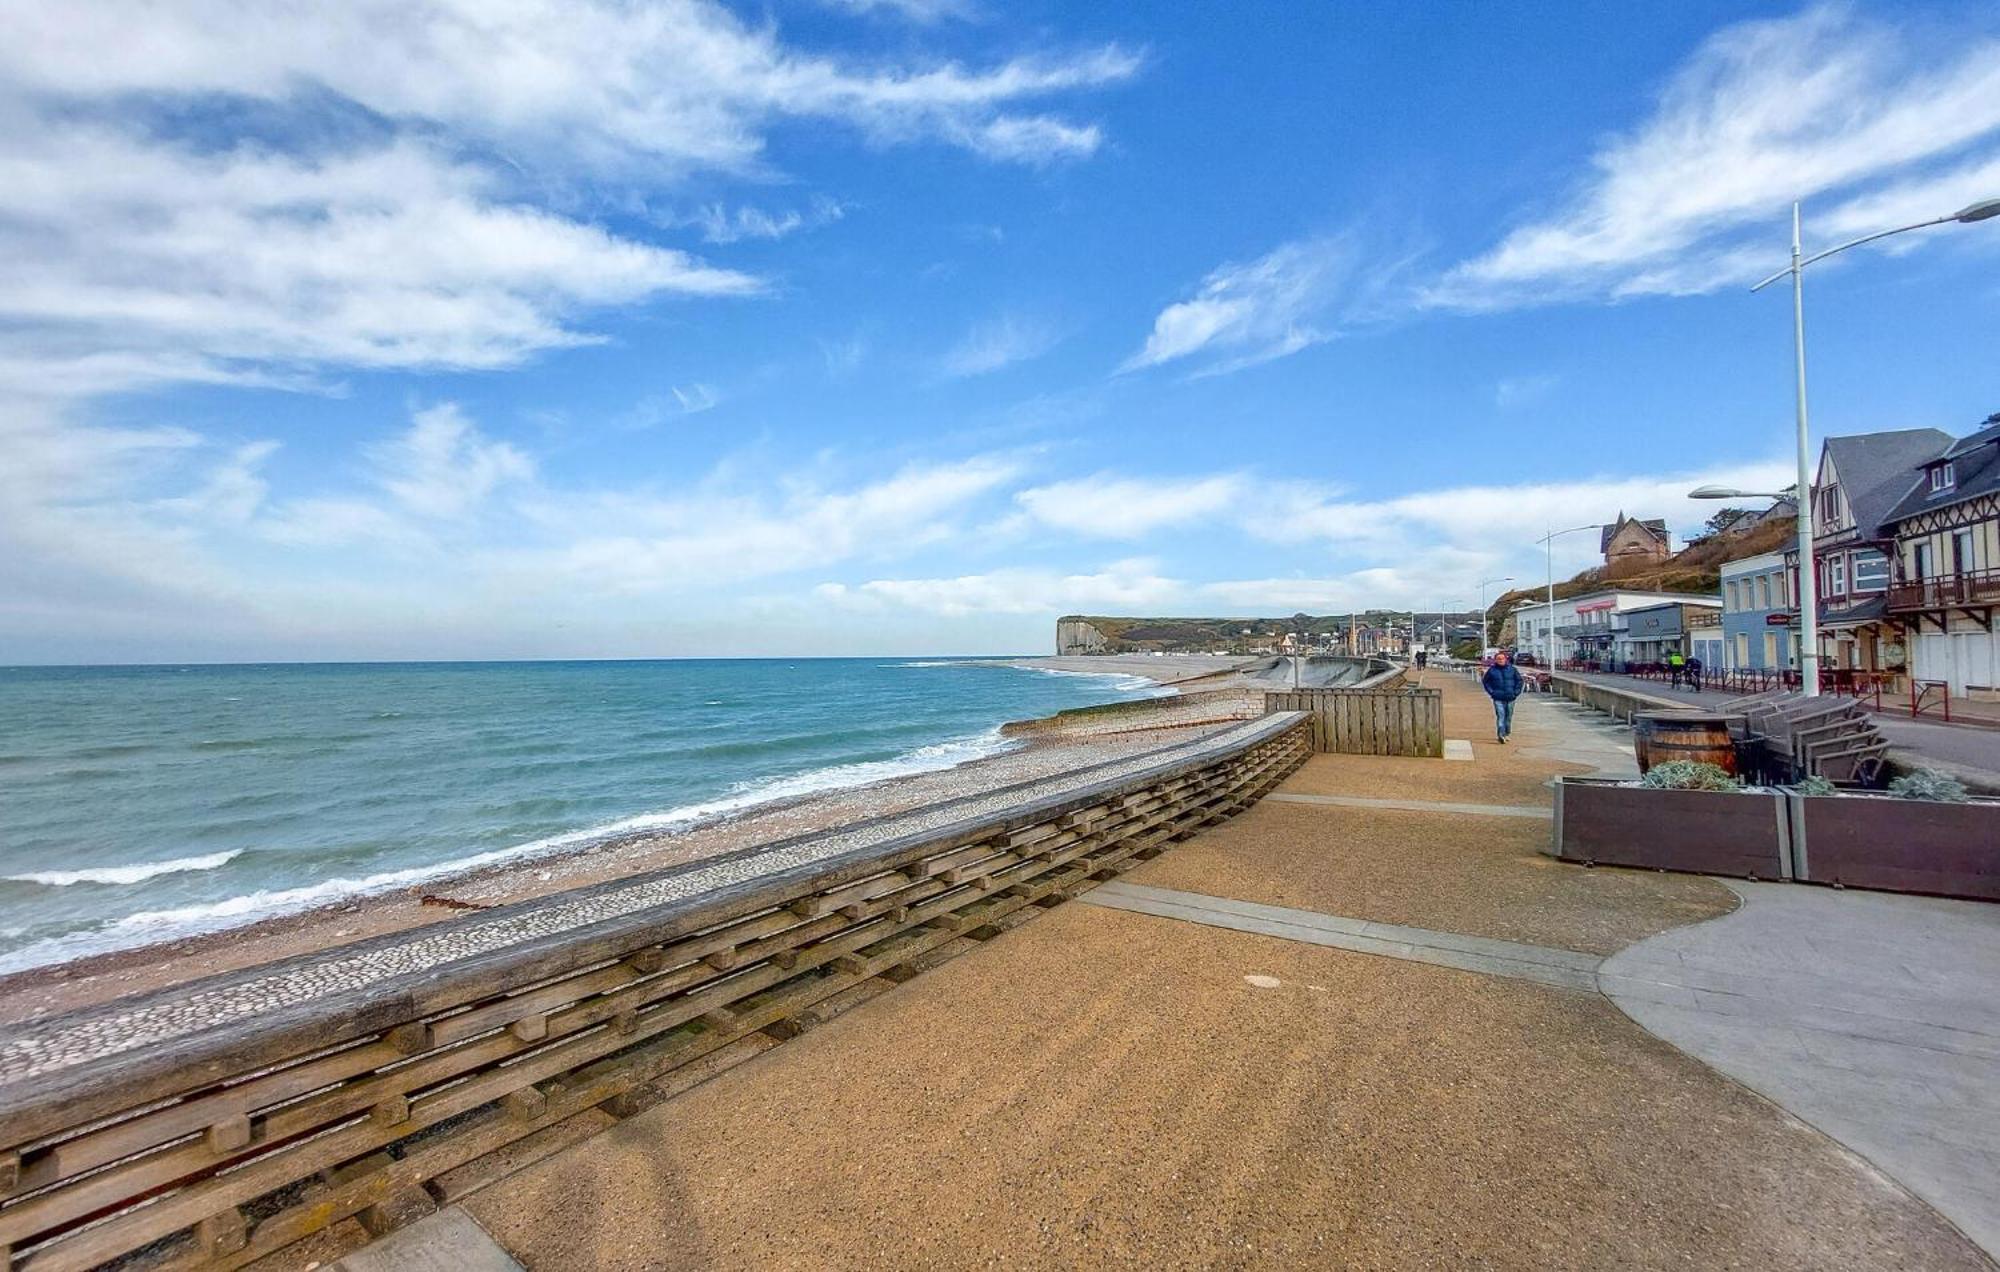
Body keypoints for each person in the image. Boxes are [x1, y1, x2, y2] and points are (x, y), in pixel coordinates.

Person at [1481, 649, 1522, 744]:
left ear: (1505, 659)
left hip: (1510, 697)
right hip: (1498, 697)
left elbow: (1519, 681)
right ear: (1495, 660)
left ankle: (1507, 732)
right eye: (1498, 659)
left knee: (1508, 717)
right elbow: (1486, 682)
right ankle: (1500, 735)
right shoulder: (1492, 670)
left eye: (1502, 659)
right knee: (1500, 716)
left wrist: (1516, 692)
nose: (1500, 660)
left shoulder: (1512, 669)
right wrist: (1492, 692)